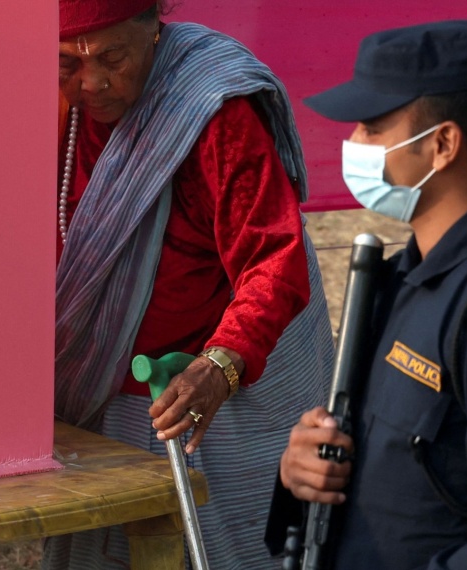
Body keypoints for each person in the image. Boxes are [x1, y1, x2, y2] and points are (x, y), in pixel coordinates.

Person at [267, 20, 467, 570]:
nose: (353, 144)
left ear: (442, 144)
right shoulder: (398, 279)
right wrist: (298, 472)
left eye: (371, 126)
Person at [50, 1, 335, 568]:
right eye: (67, 65)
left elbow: (272, 258)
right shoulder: (48, 103)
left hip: (206, 393)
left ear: (154, 29)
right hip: (99, 395)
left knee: (228, 547)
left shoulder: (210, 109)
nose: (93, 82)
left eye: (113, 57)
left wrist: (222, 364)